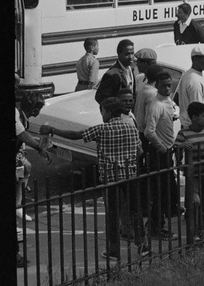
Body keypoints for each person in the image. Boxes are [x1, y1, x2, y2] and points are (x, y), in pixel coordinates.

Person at [42, 97, 146, 260]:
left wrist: (53, 130)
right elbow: (140, 151)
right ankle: (142, 245)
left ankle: (114, 250)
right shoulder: (131, 128)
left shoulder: (101, 130)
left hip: (110, 177)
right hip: (130, 175)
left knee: (112, 214)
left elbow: (76, 135)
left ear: (109, 112)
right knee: (135, 211)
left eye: (102, 111)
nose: (101, 114)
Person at [14, 88, 53, 267]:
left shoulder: (22, 116)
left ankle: (18, 206)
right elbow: (22, 135)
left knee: (23, 175)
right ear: (35, 109)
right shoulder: (17, 115)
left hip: (16, 156)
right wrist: (40, 148)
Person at [142, 70, 180, 238]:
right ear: (156, 86)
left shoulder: (167, 101)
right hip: (159, 153)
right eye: (163, 85)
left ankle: (157, 224)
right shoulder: (155, 104)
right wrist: (162, 147)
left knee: (167, 191)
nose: (167, 88)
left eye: (169, 85)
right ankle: (155, 227)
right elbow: (149, 132)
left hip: (167, 150)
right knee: (159, 192)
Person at [175, 101, 204, 242]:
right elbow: (177, 153)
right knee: (195, 202)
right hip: (193, 175)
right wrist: (181, 146)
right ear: (194, 118)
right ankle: (194, 231)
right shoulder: (184, 133)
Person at [176, 45, 204, 129]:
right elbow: (197, 110)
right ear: (195, 59)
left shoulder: (188, 74)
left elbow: (177, 97)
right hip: (196, 128)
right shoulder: (195, 81)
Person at [95, 39, 136, 105]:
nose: (131, 57)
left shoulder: (131, 69)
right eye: (127, 54)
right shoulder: (112, 74)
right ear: (119, 54)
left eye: (132, 53)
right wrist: (115, 108)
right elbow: (100, 97)